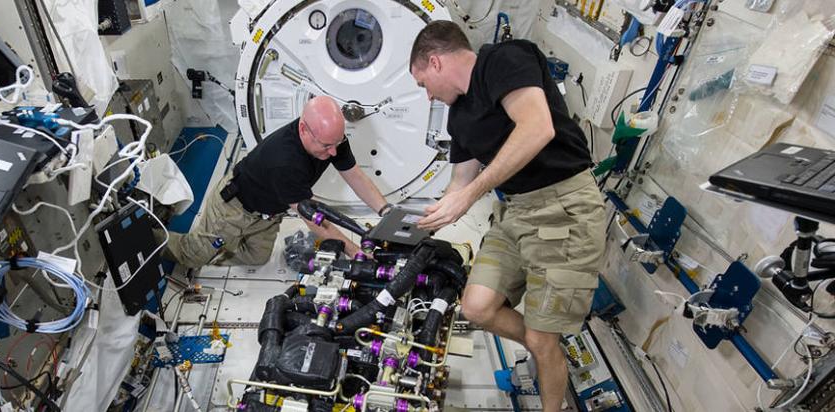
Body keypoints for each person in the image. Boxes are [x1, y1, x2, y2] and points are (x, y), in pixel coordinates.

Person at [409, 21, 607, 411]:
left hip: (563, 211)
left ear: (434, 62)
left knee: (541, 339)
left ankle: (551, 382)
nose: (429, 96)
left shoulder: (504, 59)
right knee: (477, 308)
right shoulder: (458, 116)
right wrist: (423, 220)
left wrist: (468, 195)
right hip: (515, 211)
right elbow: (460, 182)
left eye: (423, 85)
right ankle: (543, 344)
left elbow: (537, 127)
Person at [163, 96, 389, 269]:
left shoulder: (332, 139)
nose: (333, 153)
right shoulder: (284, 162)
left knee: (257, 258)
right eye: (326, 146)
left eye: (336, 144)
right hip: (233, 209)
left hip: (267, 214)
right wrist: (357, 254)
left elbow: (356, 177)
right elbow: (316, 221)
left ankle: (222, 242)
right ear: (303, 129)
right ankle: (150, 237)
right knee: (191, 257)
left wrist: (385, 211)